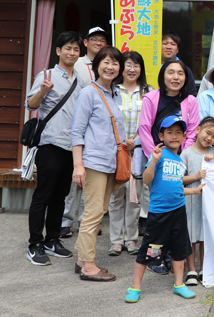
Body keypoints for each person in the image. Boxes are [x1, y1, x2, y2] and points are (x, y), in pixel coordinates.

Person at [124, 116, 205, 303]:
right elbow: (146, 179)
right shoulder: (158, 155)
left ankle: (178, 284)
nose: (174, 136)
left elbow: (176, 186)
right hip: (159, 212)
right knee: (149, 249)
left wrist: (195, 190)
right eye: (170, 132)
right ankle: (135, 287)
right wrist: (153, 160)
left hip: (178, 211)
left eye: (178, 132)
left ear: (185, 136)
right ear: (161, 135)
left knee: (179, 249)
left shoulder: (180, 160)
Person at [25, 31, 84, 266]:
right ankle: (35, 244)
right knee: (43, 195)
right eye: (68, 48)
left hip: (72, 147)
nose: (72, 52)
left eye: (76, 49)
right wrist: (43, 91)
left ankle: (52, 240)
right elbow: (31, 105)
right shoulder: (46, 75)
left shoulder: (80, 80)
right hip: (50, 144)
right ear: (58, 51)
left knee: (61, 196)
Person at [71, 45, 126, 281]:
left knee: (100, 211)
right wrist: (78, 165)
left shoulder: (114, 93)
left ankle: (82, 259)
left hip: (110, 162)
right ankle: (88, 266)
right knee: (93, 213)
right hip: (94, 162)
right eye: (106, 61)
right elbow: (76, 131)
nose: (110, 66)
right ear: (97, 65)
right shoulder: (88, 93)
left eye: (115, 63)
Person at [63, 26, 108, 238]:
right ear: (86, 42)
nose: (99, 43)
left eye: (102, 40)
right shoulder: (77, 63)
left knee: (90, 180)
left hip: (97, 131)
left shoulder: (106, 66)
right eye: (95, 39)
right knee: (75, 177)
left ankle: (86, 222)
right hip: (77, 126)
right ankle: (65, 221)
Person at [108, 50, 151, 257]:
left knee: (135, 197)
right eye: (128, 65)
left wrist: (138, 141)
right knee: (116, 196)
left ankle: (131, 239)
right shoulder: (112, 90)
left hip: (140, 152)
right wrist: (124, 141)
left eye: (136, 65)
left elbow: (152, 123)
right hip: (117, 150)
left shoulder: (149, 92)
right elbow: (107, 120)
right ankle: (116, 240)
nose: (132, 69)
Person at [181, 116, 214, 286]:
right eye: (207, 132)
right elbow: (179, 179)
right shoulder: (187, 153)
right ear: (197, 130)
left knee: (205, 235)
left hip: (208, 203)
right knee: (191, 235)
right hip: (191, 201)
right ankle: (191, 269)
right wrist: (196, 176)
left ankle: (205, 267)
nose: (209, 138)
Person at [139, 58, 200, 159]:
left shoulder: (191, 101)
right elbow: (144, 129)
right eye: (171, 73)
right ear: (162, 76)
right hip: (156, 157)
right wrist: (154, 157)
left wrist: (183, 158)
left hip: (181, 158)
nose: (176, 77)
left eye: (180, 73)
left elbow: (192, 131)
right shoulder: (150, 98)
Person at [161, 31, 198, 97]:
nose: (169, 47)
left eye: (173, 44)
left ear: (177, 49)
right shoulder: (150, 69)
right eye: (165, 43)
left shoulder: (185, 70)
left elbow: (191, 95)